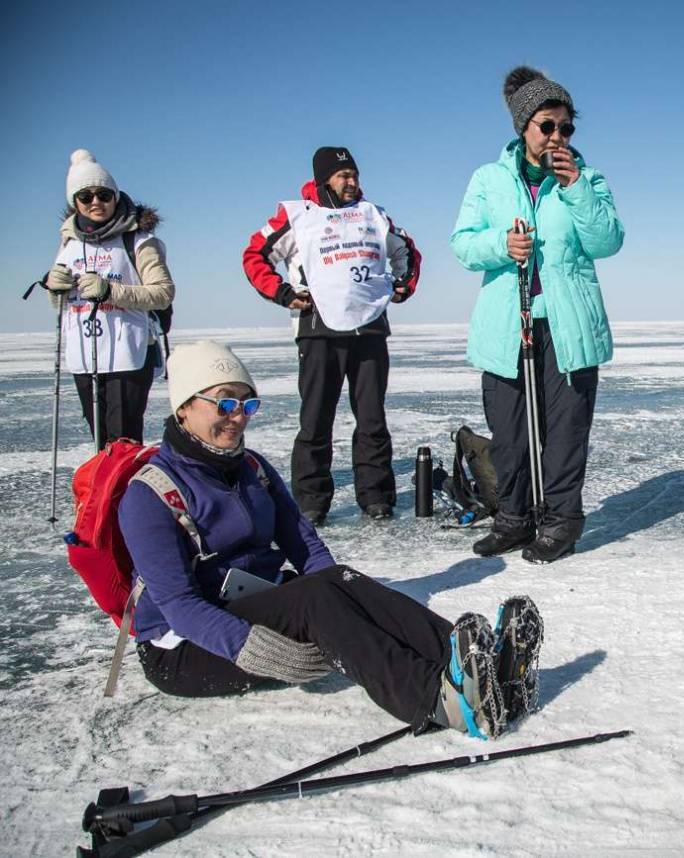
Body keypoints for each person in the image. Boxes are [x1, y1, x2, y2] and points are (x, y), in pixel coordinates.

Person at [118, 341, 541, 739]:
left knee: (337, 582)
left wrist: (343, 600)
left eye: (248, 404)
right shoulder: (150, 493)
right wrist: (254, 647)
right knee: (316, 600)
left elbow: (305, 546)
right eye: (225, 402)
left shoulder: (251, 467)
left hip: (252, 605)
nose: (239, 416)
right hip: (184, 648)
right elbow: (179, 606)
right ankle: (434, 698)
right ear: (184, 408)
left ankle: (465, 659)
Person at [450, 66, 624, 564]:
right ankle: (513, 518)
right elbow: (462, 244)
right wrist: (501, 245)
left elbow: (607, 241)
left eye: (566, 127)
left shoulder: (587, 178)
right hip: (509, 322)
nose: (557, 136)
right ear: (524, 127)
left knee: (565, 433)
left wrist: (575, 190)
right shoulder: (488, 179)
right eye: (547, 126)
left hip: (568, 325)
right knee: (509, 432)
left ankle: (561, 522)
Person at [242, 146, 421, 524]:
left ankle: (376, 497)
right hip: (317, 331)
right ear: (325, 179)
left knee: (372, 419)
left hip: (370, 328)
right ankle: (311, 502)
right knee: (316, 419)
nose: (352, 182)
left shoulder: (373, 215)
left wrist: (404, 285)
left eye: (355, 174)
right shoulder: (297, 215)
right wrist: (284, 294)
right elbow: (255, 255)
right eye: (344, 176)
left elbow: (407, 251)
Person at [44, 149, 175, 449]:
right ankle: (105, 496)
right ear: (74, 202)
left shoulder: (138, 240)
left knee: (124, 442)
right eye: (86, 196)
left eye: (103, 194)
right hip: (84, 355)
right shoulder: (68, 241)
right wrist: (56, 288)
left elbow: (163, 292)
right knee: (100, 441)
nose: (96, 203)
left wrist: (109, 291)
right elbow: (62, 305)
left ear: (115, 195)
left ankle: (127, 495)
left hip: (127, 354)